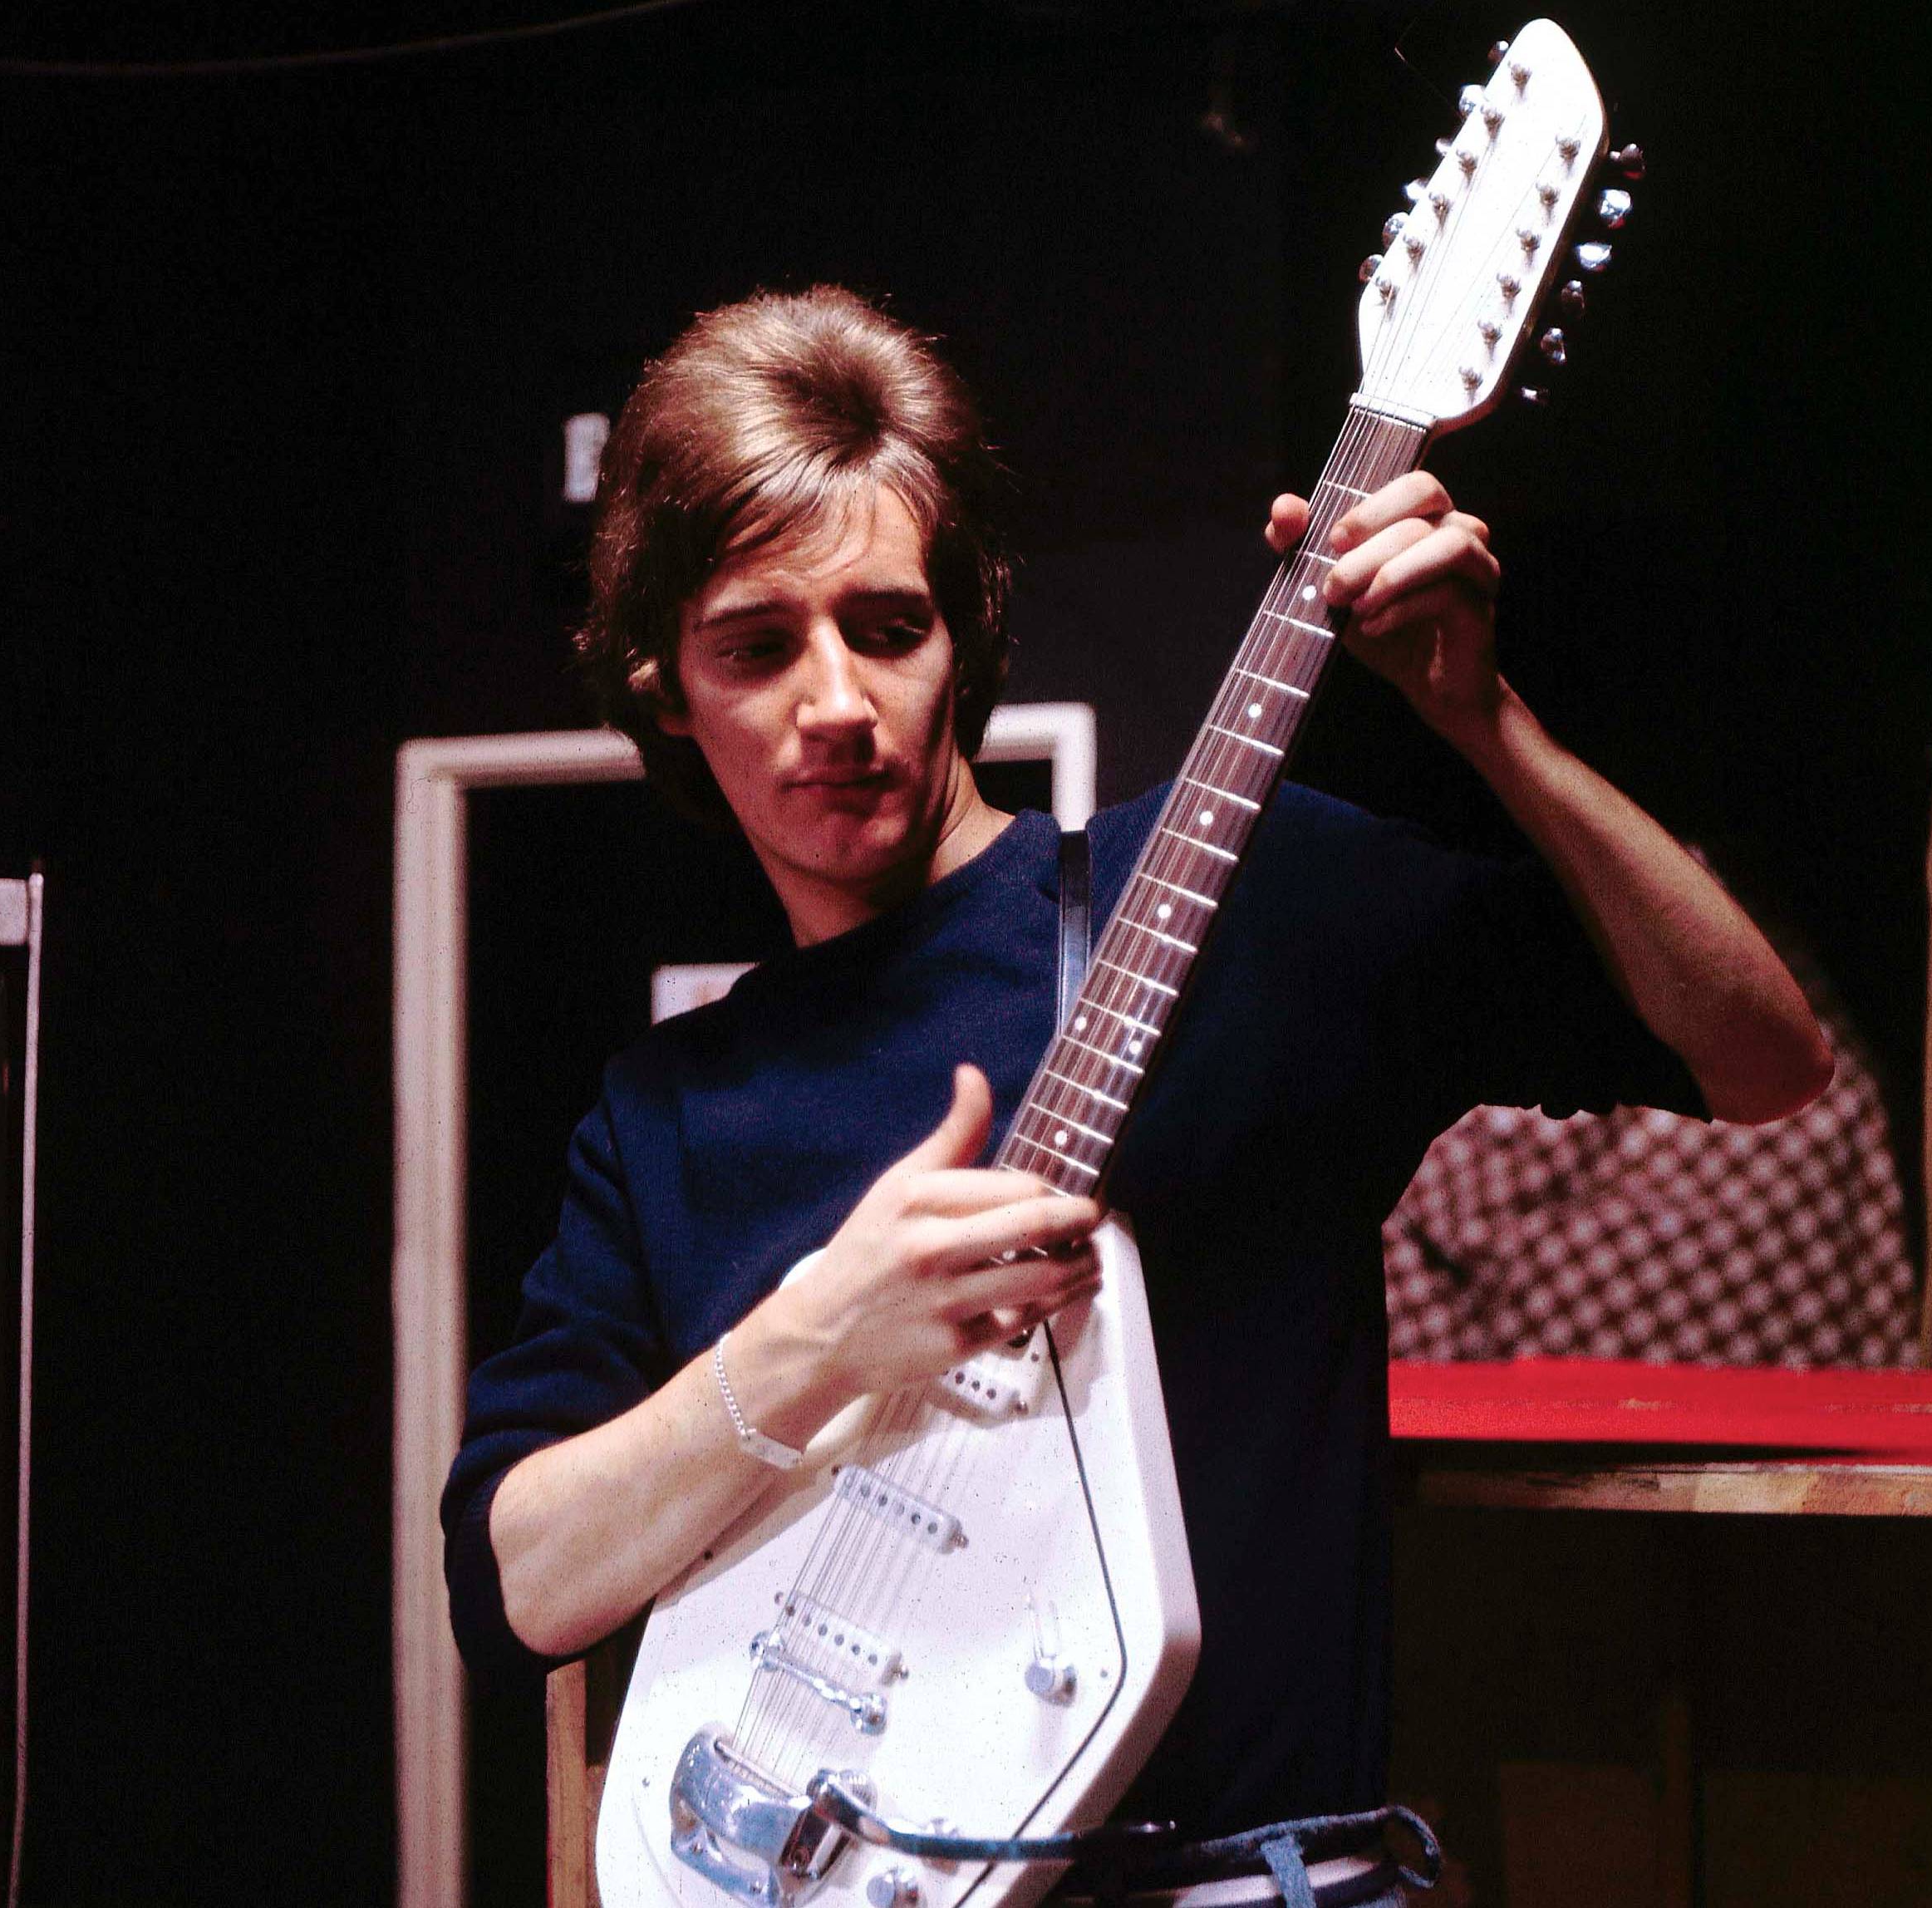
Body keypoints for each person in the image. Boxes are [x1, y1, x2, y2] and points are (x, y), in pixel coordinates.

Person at [441, 286, 1830, 1887]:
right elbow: (514, 1586)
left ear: (965, 632)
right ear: (666, 689)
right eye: (758, 648)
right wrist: (821, 1333)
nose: (836, 705)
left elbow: (1763, 1059)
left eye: (887, 626)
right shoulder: (668, 1112)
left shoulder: (1240, 896)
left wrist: (1484, 720)